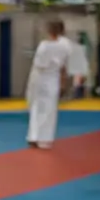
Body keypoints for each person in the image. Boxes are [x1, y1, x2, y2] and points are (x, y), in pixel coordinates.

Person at [25, 19, 73, 149]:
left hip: (39, 77)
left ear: (49, 30)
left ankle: (33, 136)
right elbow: (66, 66)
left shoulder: (44, 45)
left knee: (35, 106)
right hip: (53, 78)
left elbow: (39, 64)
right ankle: (45, 140)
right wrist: (64, 83)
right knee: (49, 109)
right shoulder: (67, 45)